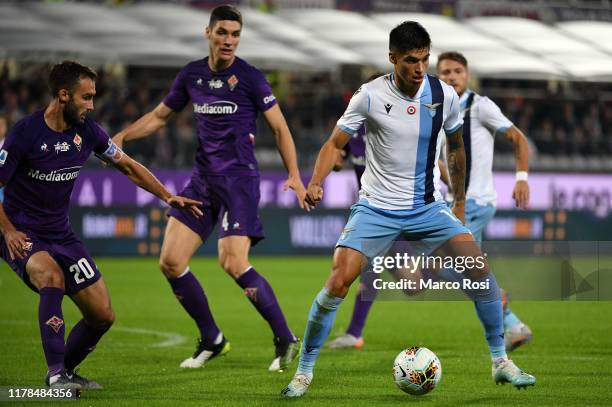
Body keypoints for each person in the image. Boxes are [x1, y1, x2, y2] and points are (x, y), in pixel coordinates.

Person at [281, 21, 535, 398]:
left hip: (427, 207)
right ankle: (304, 371)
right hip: (376, 207)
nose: (419, 69)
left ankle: (500, 362)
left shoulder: (443, 94)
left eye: (425, 60)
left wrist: (460, 200)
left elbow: (456, 147)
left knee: (479, 270)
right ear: (392, 59)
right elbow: (335, 143)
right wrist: (316, 181)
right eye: (411, 61)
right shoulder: (368, 96)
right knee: (339, 280)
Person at [112, 5, 306, 372]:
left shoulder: (250, 78)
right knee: (170, 262)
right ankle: (212, 338)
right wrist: (123, 136)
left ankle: (284, 337)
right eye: (222, 33)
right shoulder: (191, 75)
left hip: (239, 182)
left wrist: (294, 174)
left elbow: (280, 128)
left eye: (235, 34)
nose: (229, 40)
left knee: (232, 262)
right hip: (201, 182)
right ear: (209, 33)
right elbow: (158, 117)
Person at [0, 61, 202, 389]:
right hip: (20, 231)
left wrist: (168, 196)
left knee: (102, 316)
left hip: (60, 233)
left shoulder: (88, 131)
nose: (92, 105)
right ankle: (55, 377)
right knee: (51, 276)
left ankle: (64, 370)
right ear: (63, 95)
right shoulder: (25, 133)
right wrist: (7, 231)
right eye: (87, 97)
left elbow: (128, 166)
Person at [327, 51, 533, 352]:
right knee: (413, 277)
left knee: (455, 268)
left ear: (467, 74)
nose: (450, 77)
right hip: (406, 206)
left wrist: (519, 177)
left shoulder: (478, 106)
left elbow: (514, 138)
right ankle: (354, 332)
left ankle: (508, 321)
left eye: (457, 71)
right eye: (445, 71)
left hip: (460, 202)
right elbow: (340, 155)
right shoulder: (410, 112)